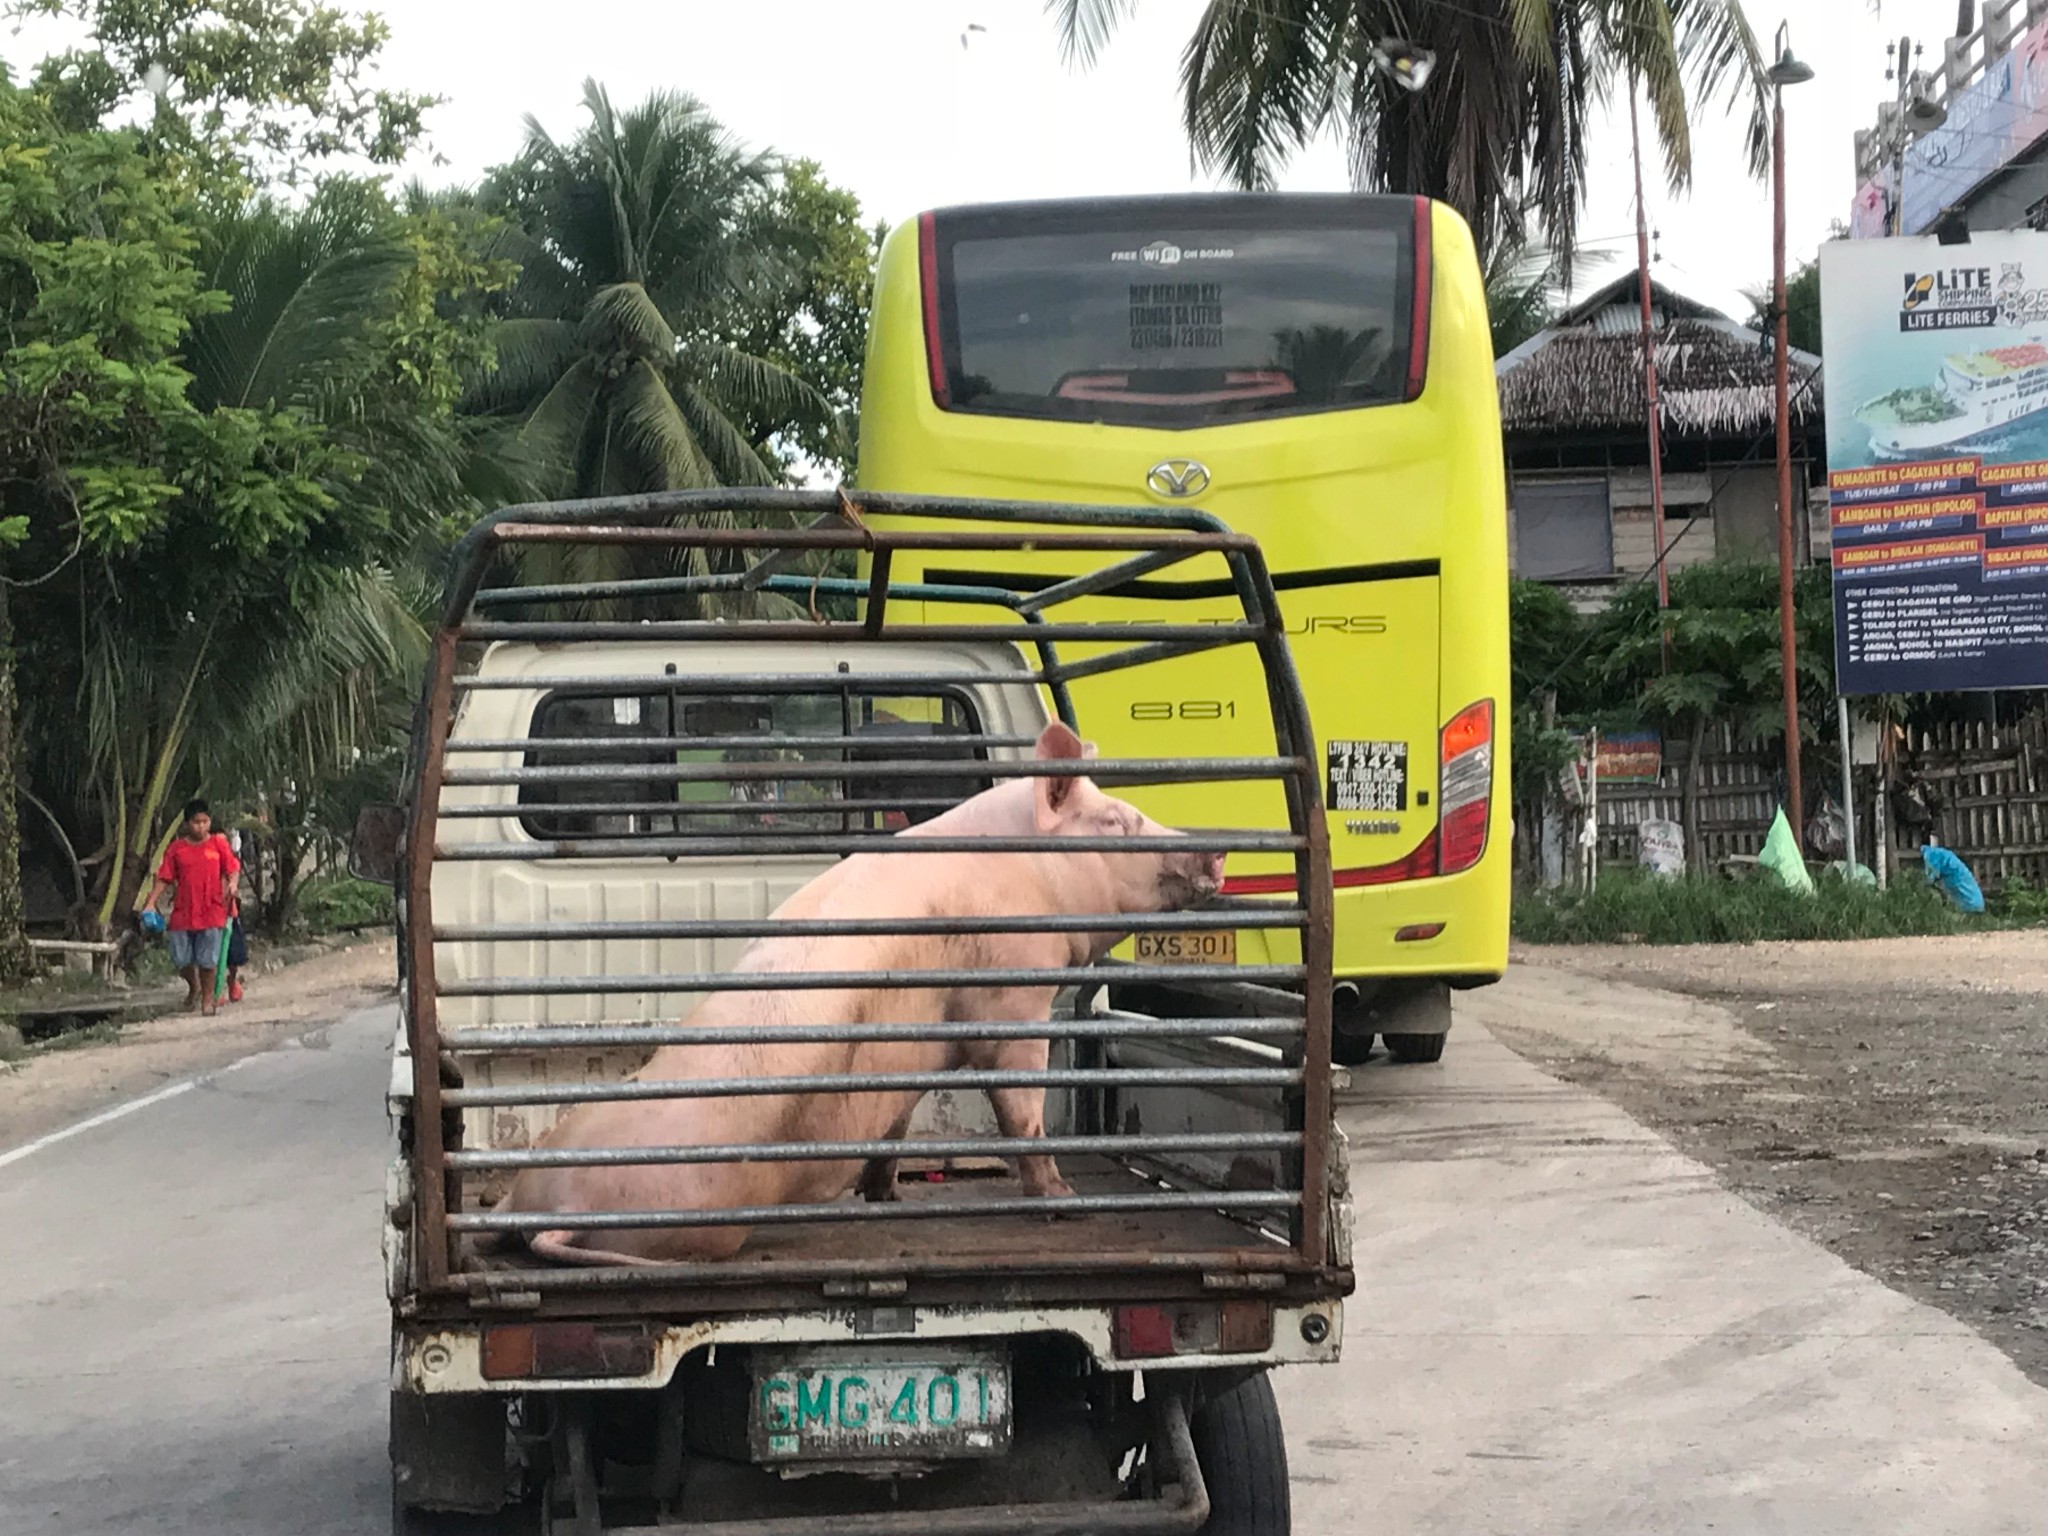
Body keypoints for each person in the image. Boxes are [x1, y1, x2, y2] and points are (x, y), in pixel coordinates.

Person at [140, 798, 241, 1016]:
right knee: (181, 958)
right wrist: (150, 902)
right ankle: (193, 985)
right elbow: (165, 877)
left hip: (212, 910)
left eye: (205, 822)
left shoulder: (218, 844)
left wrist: (232, 884)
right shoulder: (177, 849)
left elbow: (232, 868)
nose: (201, 827)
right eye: (196, 822)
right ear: (187, 824)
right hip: (184, 911)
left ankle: (207, 999)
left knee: (208, 960)